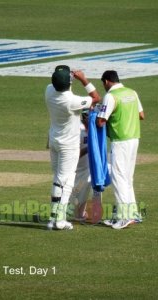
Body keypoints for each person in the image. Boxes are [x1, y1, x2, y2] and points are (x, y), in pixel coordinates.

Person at [45, 65, 100, 230]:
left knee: (57, 179)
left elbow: (59, 84)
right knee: (66, 181)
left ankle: (53, 217)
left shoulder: (48, 90)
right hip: (68, 145)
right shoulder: (71, 101)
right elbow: (96, 98)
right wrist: (83, 79)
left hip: (54, 140)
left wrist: (66, 78)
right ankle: (60, 220)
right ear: (69, 83)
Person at [96, 70, 144, 230]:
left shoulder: (111, 96)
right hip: (134, 138)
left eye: (103, 83)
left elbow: (101, 122)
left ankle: (125, 217)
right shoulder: (132, 92)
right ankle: (133, 213)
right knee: (127, 178)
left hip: (120, 141)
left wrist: (94, 116)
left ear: (107, 81)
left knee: (118, 178)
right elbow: (141, 115)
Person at [67, 109, 103, 224]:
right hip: (79, 169)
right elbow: (72, 155)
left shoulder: (95, 129)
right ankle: (77, 214)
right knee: (79, 193)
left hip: (92, 167)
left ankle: (96, 214)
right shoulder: (78, 131)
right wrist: (89, 148)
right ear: (86, 117)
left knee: (98, 187)